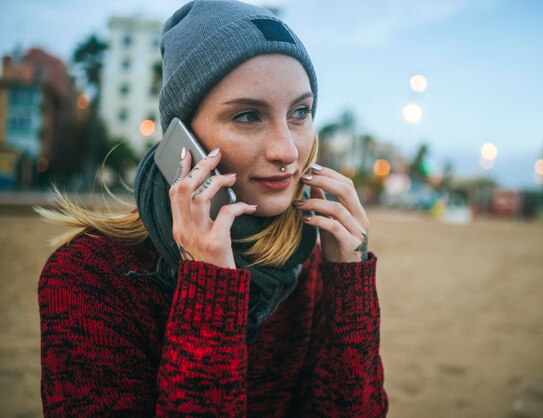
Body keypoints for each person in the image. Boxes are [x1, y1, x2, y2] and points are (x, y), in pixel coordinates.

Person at [36, 1, 388, 416]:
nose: (288, 150)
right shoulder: (88, 276)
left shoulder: (305, 260)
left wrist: (349, 287)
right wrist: (209, 291)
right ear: (182, 141)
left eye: (300, 112)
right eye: (246, 116)